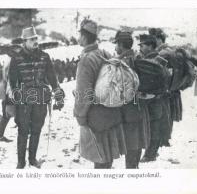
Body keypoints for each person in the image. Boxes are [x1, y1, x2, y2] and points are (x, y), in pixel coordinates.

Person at [8, 26, 65, 169]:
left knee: (36, 130)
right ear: (24, 41)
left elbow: (52, 77)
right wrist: (12, 100)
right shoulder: (16, 58)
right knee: (23, 131)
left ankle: (32, 159)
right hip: (24, 101)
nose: (35, 41)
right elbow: (12, 81)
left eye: (35, 38)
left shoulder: (44, 56)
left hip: (40, 100)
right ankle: (21, 162)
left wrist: (57, 91)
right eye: (31, 39)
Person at [74, 19, 126, 169]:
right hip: (112, 111)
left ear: (84, 37)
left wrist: (80, 116)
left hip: (95, 117)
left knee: (99, 158)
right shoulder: (105, 53)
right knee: (107, 157)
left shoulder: (86, 59)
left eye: (80, 34)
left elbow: (84, 94)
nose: (79, 38)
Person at [113, 31, 150, 168]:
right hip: (141, 107)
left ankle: (131, 173)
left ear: (121, 45)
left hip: (128, 110)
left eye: (116, 44)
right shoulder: (138, 58)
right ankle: (134, 169)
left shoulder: (122, 63)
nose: (115, 47)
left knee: (131, 144)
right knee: (137, 142)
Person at [136, 34, 172, 163]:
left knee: (154, 126)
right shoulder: (148, 59)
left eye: (143, 45)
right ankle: (150, 152)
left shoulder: (157, 60)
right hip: (151, 99)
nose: (140, 47)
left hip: (156, 98)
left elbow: (165, 78)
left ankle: (150, 154)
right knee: (151, 125)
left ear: (151, 46)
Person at [0, 57, 14, 142]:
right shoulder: (9, 73)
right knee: (8, 115)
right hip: (10, 95)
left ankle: (0, 136)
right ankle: (0, 136)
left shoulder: (3, 72)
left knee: (6, 116)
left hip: (6, 95)